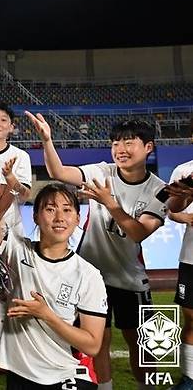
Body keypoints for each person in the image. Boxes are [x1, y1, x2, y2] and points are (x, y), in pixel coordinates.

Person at [26, 114, 168, 390]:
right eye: (115, 143)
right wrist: (47, 140)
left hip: (129, 278)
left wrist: (110, 203)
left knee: (142, 343)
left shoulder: (158, 190)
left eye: (129, 142)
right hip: (91, 276)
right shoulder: (102, 172)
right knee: (96, 341)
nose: (120, 149)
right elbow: (59, 173)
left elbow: (139, 231)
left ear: (148, 147)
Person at [0, 184, 107, 389]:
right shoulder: (17, 251)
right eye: (50, 208)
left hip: (68, 375)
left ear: (77, 219)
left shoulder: (88, 275)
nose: (59, 218)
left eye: (67, 209)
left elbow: (92, 345)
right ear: (35, 216)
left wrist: (46, 314)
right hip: (21, 375)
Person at [165, 160, 193, 389]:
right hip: (191, 258)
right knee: (192, 319)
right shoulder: (184, 171)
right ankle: (190, 378)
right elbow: (171, 209)